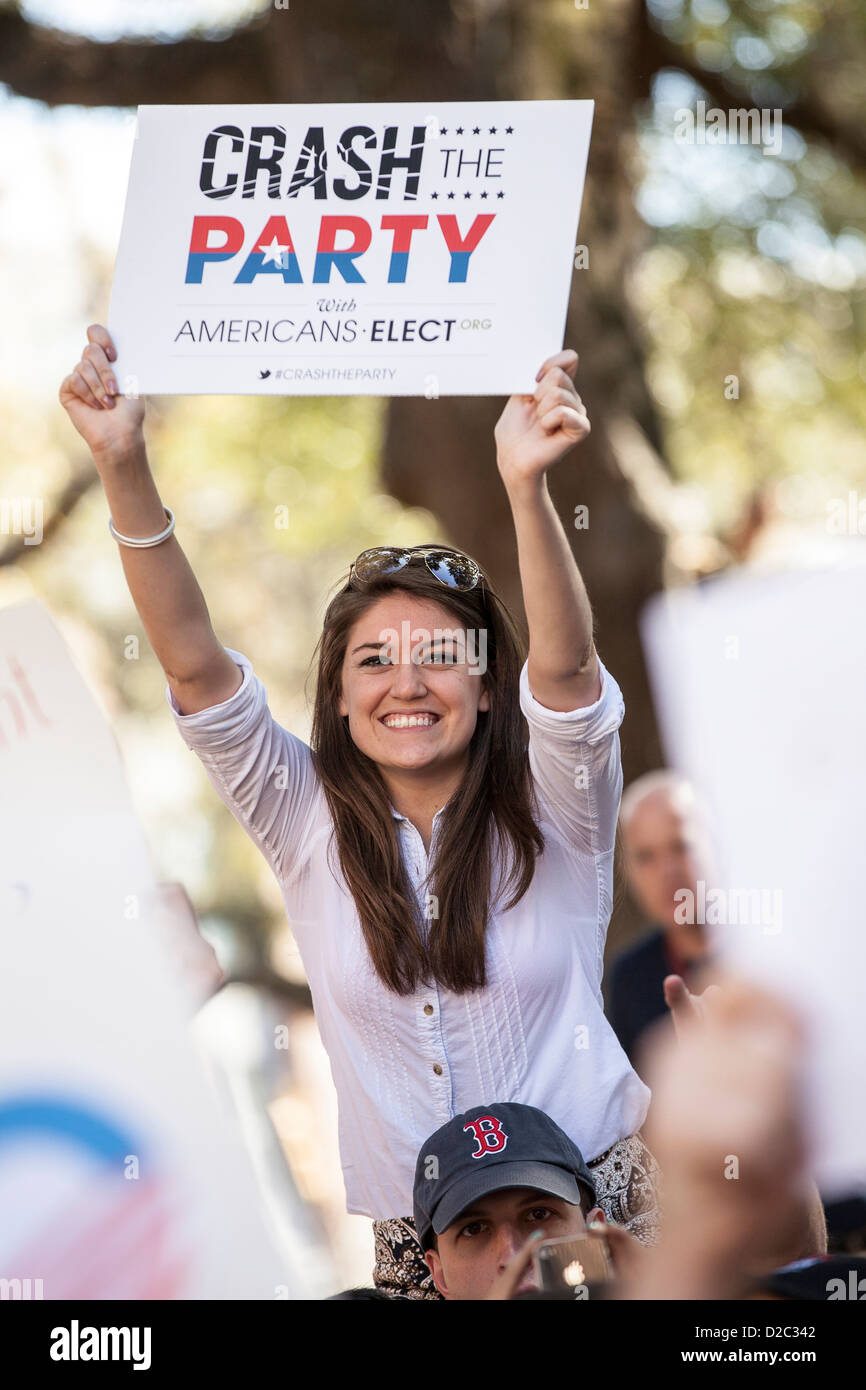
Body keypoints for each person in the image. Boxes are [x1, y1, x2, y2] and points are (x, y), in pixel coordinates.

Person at [59, 325, 657, 1300]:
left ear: (486, 688)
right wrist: (120, 461)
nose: (406, 683)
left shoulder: (561, 809)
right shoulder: (299, 823)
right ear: (337, 694)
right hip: (421, 1245)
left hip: (595, 1208)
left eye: (439, 657)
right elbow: (194, 669)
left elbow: (566, 674)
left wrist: (523, 486)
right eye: (374, 659)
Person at [608, 770, 715, 1072]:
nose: (667, 871)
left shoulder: (761, 947)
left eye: (681, 846)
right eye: (645, 857)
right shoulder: (629, 978)